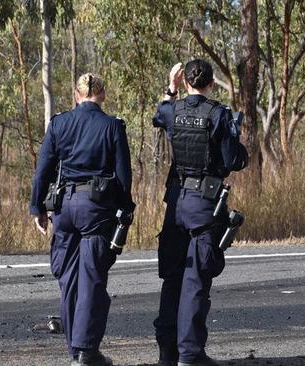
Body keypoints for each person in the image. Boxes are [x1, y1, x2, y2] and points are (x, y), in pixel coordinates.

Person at [30, 73, 134, 366]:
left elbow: (43, 170)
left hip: (63, 209)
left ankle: (75, 350)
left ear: (76, 95)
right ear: (102, 95)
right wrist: (126, 210)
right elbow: (124, 177)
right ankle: (86, 351)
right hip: (96, 211)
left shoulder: (59, 124)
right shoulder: (112, 126)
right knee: (91, 279)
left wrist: (37, 207)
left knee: (68, 278)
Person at [151, 59, 248, 366]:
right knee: (195, 280)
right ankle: (190, 354)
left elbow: (159, 113)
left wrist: (171, 88)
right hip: (204, 204)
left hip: (176, 202)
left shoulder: (172, 109)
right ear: (211, 82)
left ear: (187, 82)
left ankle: (167, 352)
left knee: (172, 277)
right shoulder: (219, 114)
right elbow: (234, 160)